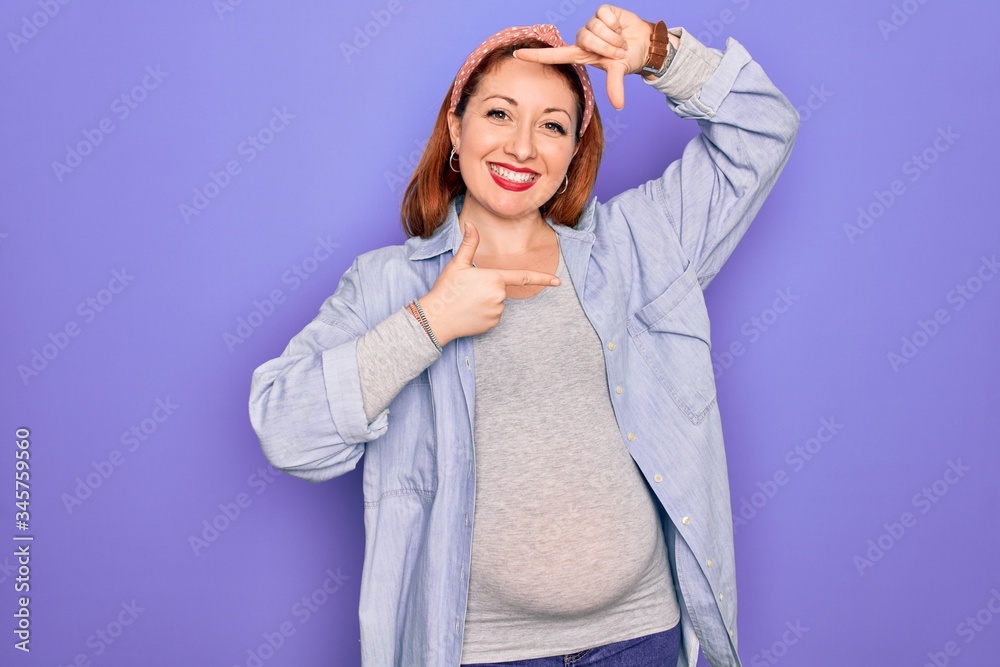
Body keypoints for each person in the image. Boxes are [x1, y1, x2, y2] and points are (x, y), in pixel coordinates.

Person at [249, 5, 798, 666]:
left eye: (553, 126)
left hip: (642, 640)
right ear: (456, 128)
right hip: (482, 653)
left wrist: (659, 52)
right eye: (499, 113)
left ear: (573, 153)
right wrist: (428, 325)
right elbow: (286, 429)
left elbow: (764, 129)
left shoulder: (637, 247)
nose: (521, 146)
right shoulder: (387, 285)